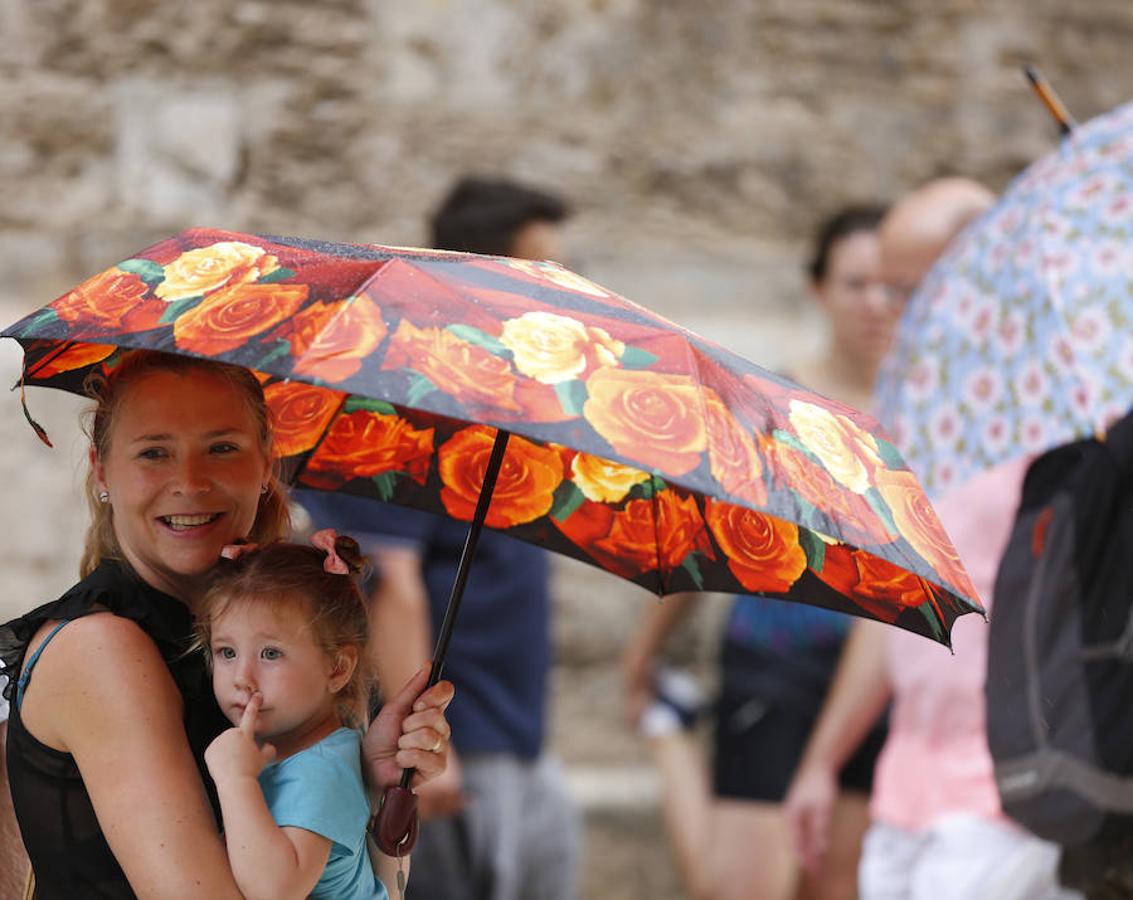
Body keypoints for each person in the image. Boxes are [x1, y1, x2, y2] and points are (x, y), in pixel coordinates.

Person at [0, 349, 453, 897]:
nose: (190, 481)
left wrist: (368, 778)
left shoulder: (270, 646)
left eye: (221, 448)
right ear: (102, 469)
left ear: (266, 463)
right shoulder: (102, 649)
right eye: (154, 453)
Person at [784, 179, 1079, 899]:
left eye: (908, 293)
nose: (887, 314)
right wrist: (822, 760)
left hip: (1015, 787)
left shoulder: (1068, 407)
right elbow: (897, 603)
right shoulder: (910, 401)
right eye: (881, 290)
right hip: (906, 785)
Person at [298, 174, 583, 900]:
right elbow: (383, 579)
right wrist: (435, 754)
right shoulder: (400, 398)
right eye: (542, 275)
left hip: (513, 740)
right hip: (450, 746)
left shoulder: (499, 405)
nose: (563, 295)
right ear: (482, 276)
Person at [622, 205, 896, 900]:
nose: (874, 303)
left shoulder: (922, 415)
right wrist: (645, 654)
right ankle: (669, 734)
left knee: (833, 887)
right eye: (855, 283)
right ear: (818, 289)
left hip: (876, 678)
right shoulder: (766, 407)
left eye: (892, 286)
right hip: (773, 661)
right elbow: (702, 538)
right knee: (736, 889)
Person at [199, 532, 414, 899]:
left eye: (270, 654)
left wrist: (236, 780)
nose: (242, 678)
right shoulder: (298, 751)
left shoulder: (322, 769)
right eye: (226, 652)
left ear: (336, 668)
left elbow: (276, 890)